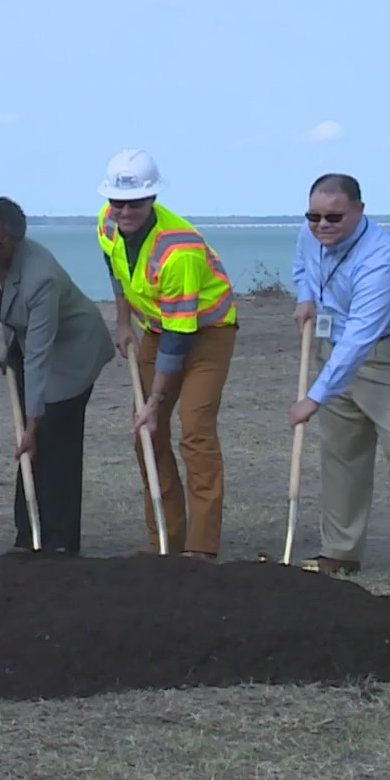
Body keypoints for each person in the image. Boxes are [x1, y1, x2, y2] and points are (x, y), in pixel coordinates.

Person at [96, 149, 238, 560]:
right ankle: (164, 540)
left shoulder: (180, 252)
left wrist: (157, 400)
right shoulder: (106, 223)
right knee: (147, 434)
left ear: (152, 199)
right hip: (157, 326)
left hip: (207, 333)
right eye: (117, 202)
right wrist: (124, 323)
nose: (124, 211)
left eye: (134, 203)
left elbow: (180, 339)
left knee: (195, 430)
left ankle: (201, 546)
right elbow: (117, 271)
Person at [287, 174, 390, 585]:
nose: (322, 224)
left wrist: (314, 396)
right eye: (314, 216)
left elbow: (362, 336)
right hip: (335, 345)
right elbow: (302, 267)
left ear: (360, 211)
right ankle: (340, 551)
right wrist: (306, 296)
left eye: (334, 217)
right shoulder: (310, 236)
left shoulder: (383, 259)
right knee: (341, 450)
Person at [0, 196, 110, 555]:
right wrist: (8, 352)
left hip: (73, 352)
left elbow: (40, 354)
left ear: (15, 239)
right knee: (31, 448)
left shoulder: (40, 277)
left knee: (54, 442)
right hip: (33, 347)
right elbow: (9, 316)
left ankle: (61, 542)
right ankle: (28, 536)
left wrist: (33, 425)